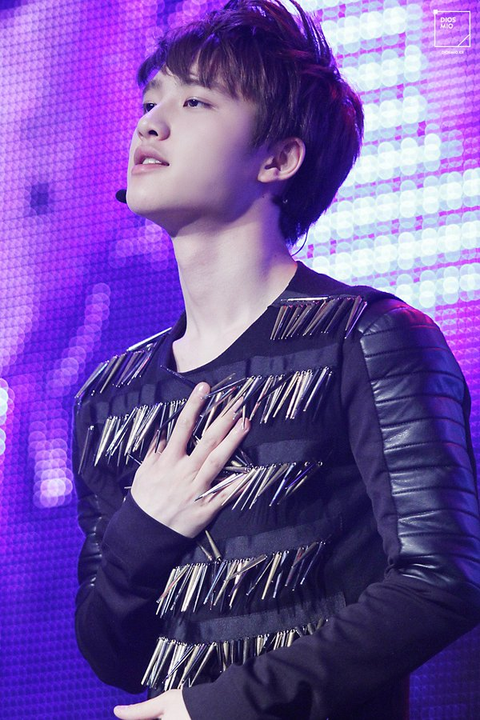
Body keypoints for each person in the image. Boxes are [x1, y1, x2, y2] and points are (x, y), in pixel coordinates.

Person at [72, 1, 480, 718]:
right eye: (150, 101)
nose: (150, 123)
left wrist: (222, 706)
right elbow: (112, 653)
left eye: (195, 101)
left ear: (279, 158)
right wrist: (145, 526)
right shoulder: (110, 397)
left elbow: (441, 579)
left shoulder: (367, 337)